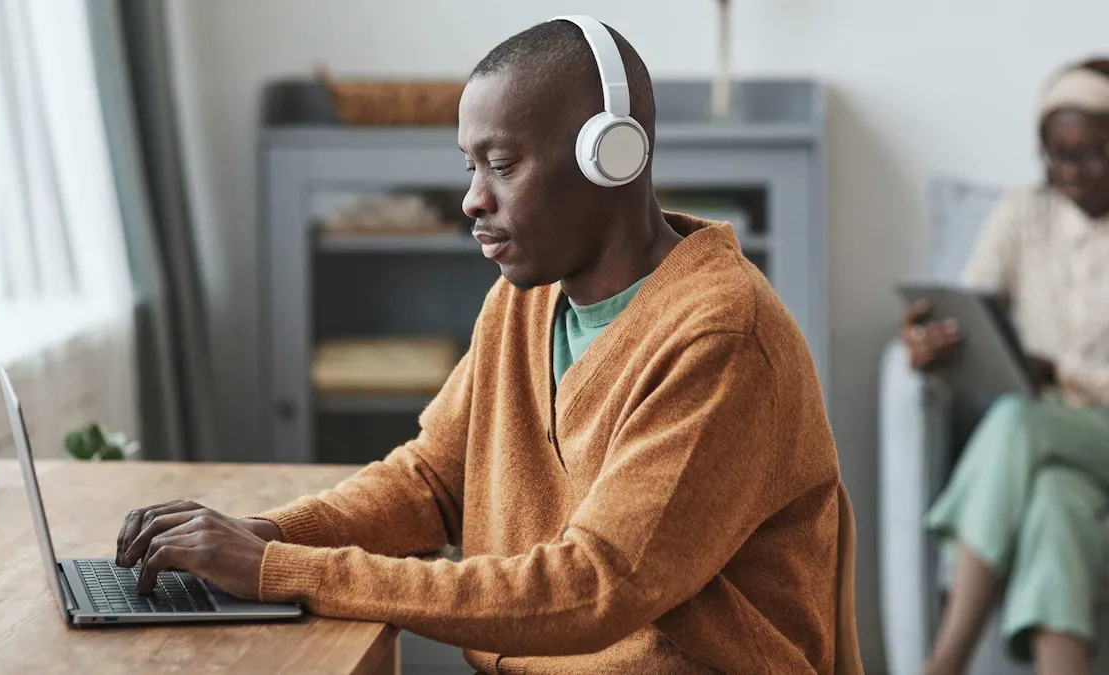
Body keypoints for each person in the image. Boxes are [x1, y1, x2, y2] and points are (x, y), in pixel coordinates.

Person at [116, 18, 847, 673]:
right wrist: (266, 533)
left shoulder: (720, 338)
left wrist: (281, 569)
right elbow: (431, 482)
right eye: (470, 166)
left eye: (502, 164)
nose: (473, 198)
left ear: (612, 158)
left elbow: (593, 585)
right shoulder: (520, 304)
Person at [907, 58, 1109, 675]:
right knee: (1053, 508)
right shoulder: (1025, 213)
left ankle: (946, 660)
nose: (1078, 171)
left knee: (1019, 417)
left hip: (1083, 423)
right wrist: (932, 340)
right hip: (1052, 449)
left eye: (1097, 153)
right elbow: (976, 308)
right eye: (1061, 155)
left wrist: (1064, 376)